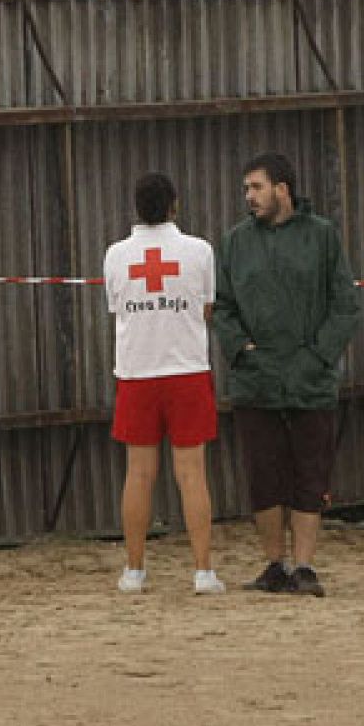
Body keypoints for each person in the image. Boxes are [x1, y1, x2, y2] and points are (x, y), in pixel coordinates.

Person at [212, 152, 361, 597]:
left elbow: (345, 304)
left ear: (283, 189)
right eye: (246, 189)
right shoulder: (236, 242)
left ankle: (305, 566)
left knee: (309, 476)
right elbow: (222, 305)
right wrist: (241, 350)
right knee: (264, 476)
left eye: (256, 187)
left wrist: (319, 357)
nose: (249, 197)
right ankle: (273, 565)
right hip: (256, 380)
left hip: (309, 380)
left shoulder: (322, 237)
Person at [103, 171, 225, 595]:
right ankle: (203, 571)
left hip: (137, 372)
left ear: (136, 207)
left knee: (138, 474)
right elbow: (207, 308)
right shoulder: (200, 251)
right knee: (192, 474)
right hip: (187, 370)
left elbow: (116, 307)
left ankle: (134, 571)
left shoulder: (115, 255)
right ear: (175, 204)